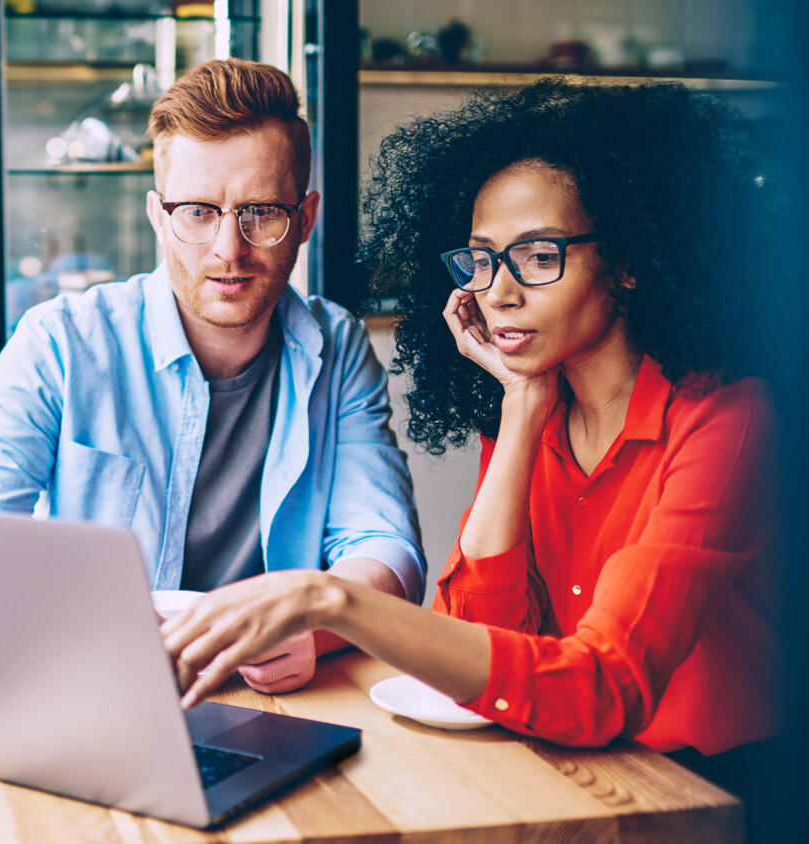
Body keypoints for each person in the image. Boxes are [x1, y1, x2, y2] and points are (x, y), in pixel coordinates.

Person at [162, 81, 778, 768]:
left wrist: (327, 598)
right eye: (482, 259)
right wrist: (518, 413)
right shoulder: (532, 413)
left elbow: (604, 685)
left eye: (540, 256)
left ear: (630, 261)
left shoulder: (730, 424)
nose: (499, 291)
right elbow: (479, 649)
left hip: (715, 791)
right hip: (574, 768)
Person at [0, 59, 425, 695]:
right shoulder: (60, 341)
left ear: (304, 220)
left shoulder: (338, 347)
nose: (229, 247)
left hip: (279, 703)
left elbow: (387, 548)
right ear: (158, 216)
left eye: (261, 212)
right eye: (197, 211)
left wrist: (316, 628)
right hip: (93, 688)